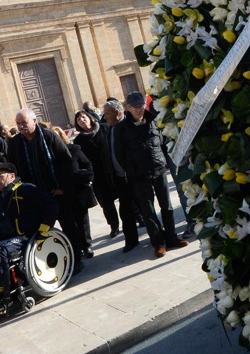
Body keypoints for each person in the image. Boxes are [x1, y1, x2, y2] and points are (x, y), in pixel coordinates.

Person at [0, 162, 58, 318]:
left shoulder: (26, 189)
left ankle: (5, 296)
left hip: (26, 236)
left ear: (12, 176)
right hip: (6, 238)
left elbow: (51, 206)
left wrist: (43, 230)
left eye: (0, 176)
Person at [113, 92, 189, 258]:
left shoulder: (153, 120)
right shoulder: (121, 128)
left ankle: (171, 238)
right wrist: (130, 170)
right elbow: (119, 154)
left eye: (141, 106)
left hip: (158, 169)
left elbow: (162, 143)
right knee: (148, 211)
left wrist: (164, 162)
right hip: (138, 175)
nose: (139, 110)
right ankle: (158, 243)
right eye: (135, 107)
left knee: (167, 206)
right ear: (128, 108)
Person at [7, 109, 83, 270]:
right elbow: (14, 170)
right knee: (39, 232)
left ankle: (76, 259)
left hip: (57, 193)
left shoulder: (50, 136)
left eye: (24, 122)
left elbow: (66, 162)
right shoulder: (14, 144)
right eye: (18, 123)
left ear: (34, 121)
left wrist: (62, 188)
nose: (21, 126)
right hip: (34, 198)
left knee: (69, 226)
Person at [73, 109, 122, 240]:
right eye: (78, 120)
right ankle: (114, 226)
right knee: (106, 203)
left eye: (83, 117)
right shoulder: (79, 140)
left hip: (113, 168)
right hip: (98, 175)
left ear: (89, 117)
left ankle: (137, 217)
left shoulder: (105, 128)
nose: (82, 120)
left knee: (125, 196)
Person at [51, 125, 97, 259]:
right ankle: (75, 247)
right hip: (61, 194)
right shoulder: (48, 157)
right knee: (69, 223)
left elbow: (87, 165)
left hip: (78, 191)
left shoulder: (74, 149)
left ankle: (87, 245)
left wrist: (88, 181)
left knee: (82, 220)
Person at [102, 99, 141, 253]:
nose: (104, 117)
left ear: (117, 113)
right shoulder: (109, 129)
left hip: (134, 176)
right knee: (125, 211)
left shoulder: (128, 126)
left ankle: (158, 239)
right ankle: (131, 241)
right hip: (120, 178)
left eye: (106, 114)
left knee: (145, 208)